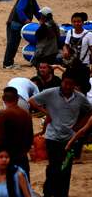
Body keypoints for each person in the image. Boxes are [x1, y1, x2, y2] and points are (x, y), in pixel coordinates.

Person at [29, 69, 92, 197]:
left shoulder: (80, 98)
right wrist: (47, 113)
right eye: (65, 83)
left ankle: (62, 194)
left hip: (70, 139)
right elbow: (32, 101)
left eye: (71, 84)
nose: (67, 87)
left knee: (66, 169)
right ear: (61, 82)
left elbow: (89, 111)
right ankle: (48, 192)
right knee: (54, 167)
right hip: (52, 137)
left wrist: (80, 126)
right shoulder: (51, 93)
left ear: (74, 85)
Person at [0, 86, 34, 177]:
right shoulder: (26, 114)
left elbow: (0, 138)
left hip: (8, 154)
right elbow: (30, 136)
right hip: (22, 154)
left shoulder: (4, 114)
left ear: (3, 99)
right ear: (17, 99)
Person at [3, 0, 42, 69]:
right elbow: (19, 9)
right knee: (12, 43)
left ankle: (9, 62)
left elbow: (37, 10)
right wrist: (26, 20)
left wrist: (42, 19)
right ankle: (7, 64)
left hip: (18, 23)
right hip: (15, 23)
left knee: (15, 43)